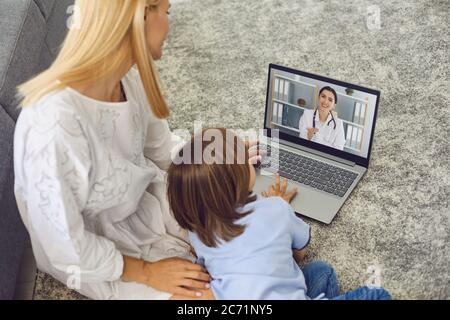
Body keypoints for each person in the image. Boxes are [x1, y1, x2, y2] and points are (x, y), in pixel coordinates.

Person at [14, 0, 261, 300]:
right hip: (93, 248)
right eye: (166, 12)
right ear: (141, 15)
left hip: (143, 197)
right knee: (205, 298)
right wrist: (147, 271)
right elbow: (66, 245)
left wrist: (217, 162)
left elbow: (161, 154)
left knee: (247, 239)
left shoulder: (131, 73)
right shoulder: (53, 126)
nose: (169, 24)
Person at [167, 128, 392, 300]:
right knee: (377, 294)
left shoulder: (197, 232)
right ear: (239, 180)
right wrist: (277, 206)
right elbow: (300, 252)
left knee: (322, 271)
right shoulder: (276, 209)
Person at [299, 86, 346, 150]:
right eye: (323, 96)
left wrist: (313, 138)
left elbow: (339, 149)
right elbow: (301, 139)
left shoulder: (339, 124)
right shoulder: (307, 114)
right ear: (318, 98)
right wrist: (308, 136)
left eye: (330, 100)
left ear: (334, 106)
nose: (325, 102)